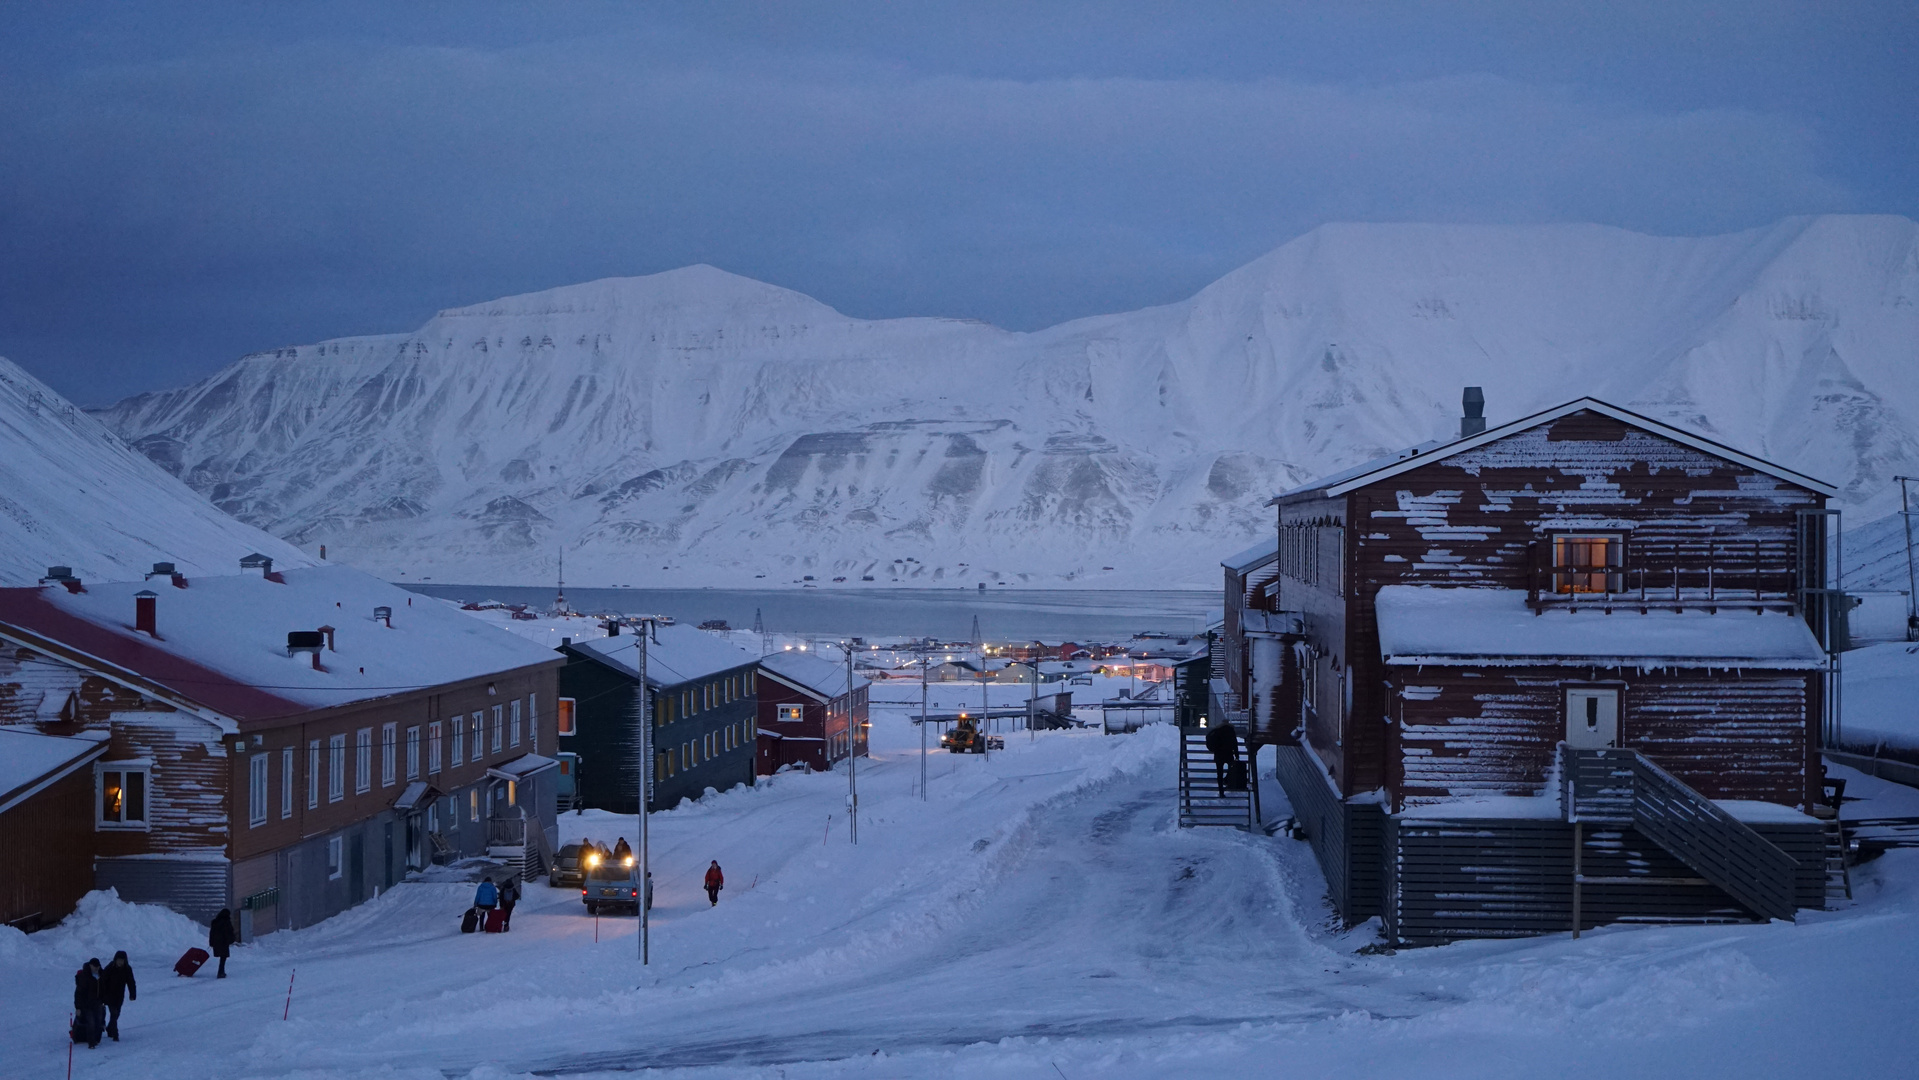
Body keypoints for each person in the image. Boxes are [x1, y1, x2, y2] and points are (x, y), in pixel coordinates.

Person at [100, 951, 136, 1041]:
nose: (120, 962)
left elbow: (131, 982)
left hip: (119, 995)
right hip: (109, 994)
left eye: (122, 960)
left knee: (116, 1014)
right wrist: (102, 994)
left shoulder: (127, 969)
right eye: (118, 960)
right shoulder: (110, 968)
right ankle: (115, 1034)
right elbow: (102, 981)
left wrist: (132, 994)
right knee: (114, 1013)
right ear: (115, 960)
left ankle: (109, 1028)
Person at [72, 958, 104, 1048]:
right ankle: (91, 1042)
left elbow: (105, 988)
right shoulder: (84, 976)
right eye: (94, 966)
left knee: (98, 1022)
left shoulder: (101, 974)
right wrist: (78, 1007)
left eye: (98, 966)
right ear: (90, 965)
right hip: (87, 1005)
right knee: (91, 1022)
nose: (96, 968)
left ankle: (96, 1039)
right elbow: (78, 993)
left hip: (98, 1003)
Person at [1204, 718, 1241, 791]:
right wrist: (1236, 755)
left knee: (1219, 773)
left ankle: (1221, 790)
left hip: (1218, 754)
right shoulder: (1231, 730)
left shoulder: (1217, 730)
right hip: (1228, 754)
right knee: (1231, 770)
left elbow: (1209, 737)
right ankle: (1227, 781)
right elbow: (1234, 743)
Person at [208, 909, 236, 979]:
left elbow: (212, 933)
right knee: (223, 958)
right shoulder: (226, 922)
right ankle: (221, 972)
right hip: (223, 943)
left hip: (216, 943)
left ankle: (221, 972)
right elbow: (229, 933)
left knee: (222, 958)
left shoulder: (215, 922)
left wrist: (211, 943)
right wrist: (231, 940)